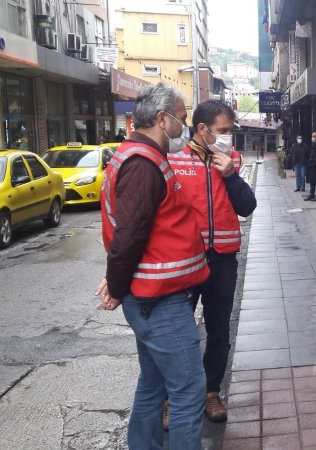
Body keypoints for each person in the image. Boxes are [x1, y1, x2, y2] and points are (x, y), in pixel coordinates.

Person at [95, 82, 210, 449]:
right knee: (189, 389)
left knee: (153, 383)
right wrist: (116, 284)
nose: (184, 127)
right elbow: (128, 235)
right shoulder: (143, 164)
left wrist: (118, 282)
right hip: (159, 303)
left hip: (152, 300)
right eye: (181, 118)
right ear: (162, 119)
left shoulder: (139, 156)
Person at [167, 99, 257, 425]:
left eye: (230, 131)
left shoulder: (230, 160)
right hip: (186, 262)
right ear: (202, 129)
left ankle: (211, 392)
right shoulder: (174, 162)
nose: (228, 137)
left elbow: (247, 206)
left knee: (219, 331)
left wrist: (231, 175)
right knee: (179, 333)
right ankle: (170, 399)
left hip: (223, 260)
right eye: (223, 131)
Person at [305, 131, 316, 201]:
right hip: (312, 165)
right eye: (312, 136)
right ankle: (311, 195)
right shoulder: (314, 144)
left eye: (314, 136)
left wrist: (313, 163)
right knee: (312, 181)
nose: (312, 138)